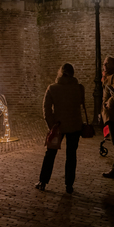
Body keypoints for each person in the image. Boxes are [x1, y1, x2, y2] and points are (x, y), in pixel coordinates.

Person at [35, 63, 84, 194]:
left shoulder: (52, 88)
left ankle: (43, 181)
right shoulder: (78, 88)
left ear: (60, 73)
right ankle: (69, 185)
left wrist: (52, 125)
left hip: (58, 125)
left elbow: (46, 110)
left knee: (50, 154)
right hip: (75, 125)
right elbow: (80, 104)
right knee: (71, 155)